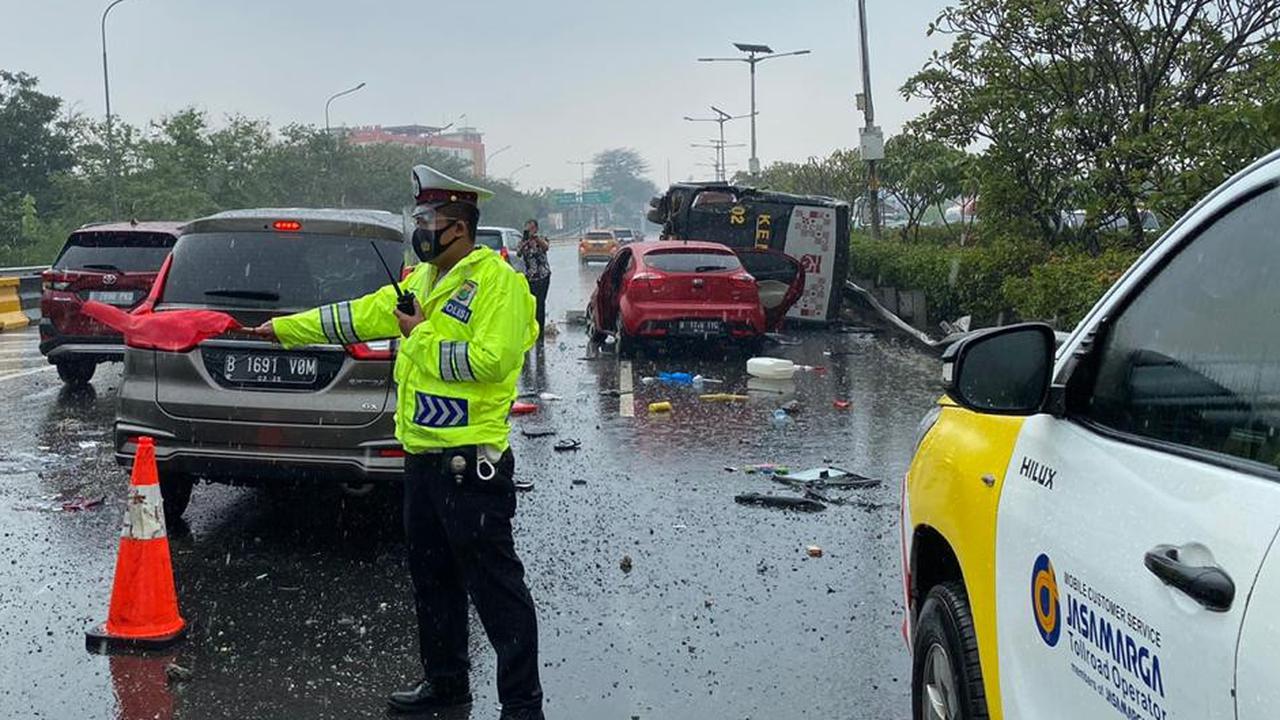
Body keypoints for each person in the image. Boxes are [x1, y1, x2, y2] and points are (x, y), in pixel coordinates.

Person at [250, 164, 544, 720]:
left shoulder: (498, 284)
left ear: (459, 226)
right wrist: (285, 328)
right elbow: (360, 315)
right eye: (420, 219)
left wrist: (421, 334)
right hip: (422, 460)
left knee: (496, 589)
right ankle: (446, 683)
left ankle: (523, 706)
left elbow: (492, 361)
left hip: (470, 463)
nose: (420, 229)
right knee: (432, 582)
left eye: (428, 219)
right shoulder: (425, 280)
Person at [517, 219, 551, 338]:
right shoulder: (523, 241)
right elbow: (518, 253)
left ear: (536, 229)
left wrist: (536, 239)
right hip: (530, 277)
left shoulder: (541, 238)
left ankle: (540, 331)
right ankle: (530, 329)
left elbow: (546, 247)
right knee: (530, 303)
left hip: (542, 275)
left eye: (531, 228)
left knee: (540, 303)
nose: (529, 231)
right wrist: (525, 243)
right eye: (527, 229)